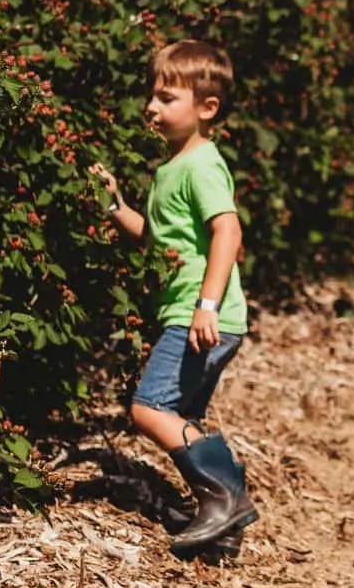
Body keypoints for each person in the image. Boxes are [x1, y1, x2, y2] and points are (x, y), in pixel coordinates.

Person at [93, 39, 257, 555]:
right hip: (196, 312)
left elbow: (228, 233)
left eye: (167, 98)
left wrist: (205, 306)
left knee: (148, 408)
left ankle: (227, 496)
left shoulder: (201, 165)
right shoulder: (172, 169)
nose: (152, 106)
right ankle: (224, 524)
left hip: (203, 314)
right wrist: (117, 207)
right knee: (183, 417)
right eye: (152, 95)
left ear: (207, 109)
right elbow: (160, 240)